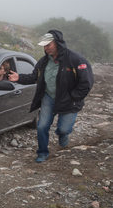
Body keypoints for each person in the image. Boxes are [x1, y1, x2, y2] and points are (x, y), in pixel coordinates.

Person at [8, 29, 93, 163]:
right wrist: (19, 77)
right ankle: (42, 153)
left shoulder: (75, 59)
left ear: (58, 43)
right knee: (41, 126)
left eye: (49, 45)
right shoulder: (43, 62)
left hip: (69, 100)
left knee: (64, 129)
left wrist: (73, 97)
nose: (46, 48)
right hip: (48, 97)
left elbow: (86, 83)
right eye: (44, 45)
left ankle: (62, 135)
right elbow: (34, 77)